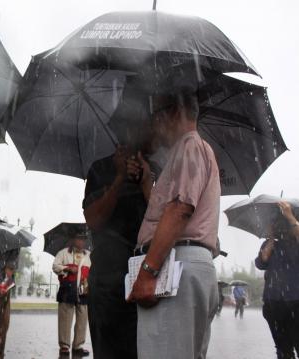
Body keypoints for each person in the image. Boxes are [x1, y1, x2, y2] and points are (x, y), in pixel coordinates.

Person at [128, 89, 220, 359]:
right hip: (187, 262)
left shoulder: (189, 146)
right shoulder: (193, 150)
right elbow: (169, 210)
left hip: (175, 266)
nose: (155, 124)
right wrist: (149, 185)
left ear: (176, 112)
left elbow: (180, 210)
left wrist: (147, 272)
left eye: (157, 115)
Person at [83, 139, 154, 358]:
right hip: (106, 282)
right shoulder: (100, 168)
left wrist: (146, 184)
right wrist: (119, 178)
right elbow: (94, 220)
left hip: (145, 277)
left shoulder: (154, 170)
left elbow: (162, 222)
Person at [255, 201, 299, 359]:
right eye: (275, 222)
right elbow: (260, 264)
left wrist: (289, 215)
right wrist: (268, 248)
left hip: (296, 301)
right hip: (274, 303)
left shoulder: (296, 240)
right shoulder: (270, 243)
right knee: (283, 350)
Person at [52, 230, 92, 357]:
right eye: (79, 238)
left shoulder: (90, 255)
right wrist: (67, 268)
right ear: (73, 240)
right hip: (67, 289)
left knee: (82, 319)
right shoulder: (63, 253)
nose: (81, 241)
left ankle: (78, 345)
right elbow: (55, 266)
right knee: (65, 319)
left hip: (83, 291)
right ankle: (64, 345)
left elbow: (94, 271)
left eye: (83, 239)